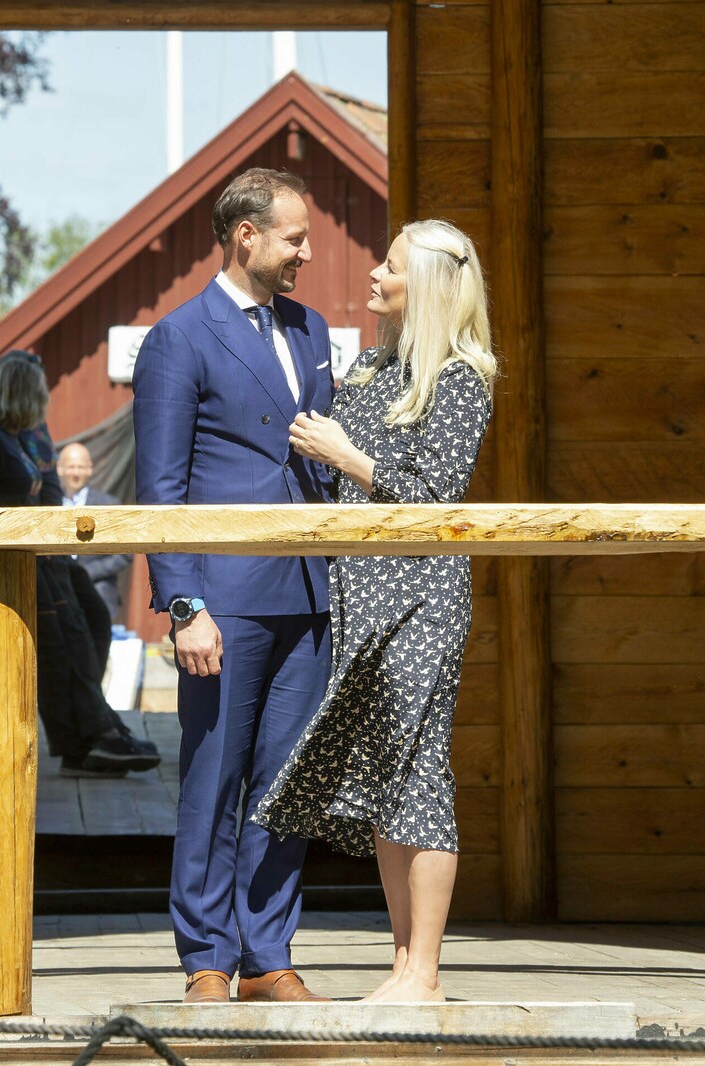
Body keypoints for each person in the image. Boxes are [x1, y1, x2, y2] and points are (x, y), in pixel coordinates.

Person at [254, 219, 496, 1003]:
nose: (371, 272)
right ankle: (402, 967)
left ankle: (423, 973)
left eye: (388, 266)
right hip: (361, 594)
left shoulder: (459, 376)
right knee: (390, 772)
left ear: (421, 286)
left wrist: (345, 455)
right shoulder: (370, 365)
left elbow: (433, 495)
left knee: (419, 772)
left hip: (420, 596)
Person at [133, 168, 335, 1005]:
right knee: (214, 778)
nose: (308, 253)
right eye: (295, 237)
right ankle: (206, 959)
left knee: (288, 782)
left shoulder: (313, 327)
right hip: (222, 601)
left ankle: (268, 955)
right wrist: (184, 606)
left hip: (309, 597)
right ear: (245, 235)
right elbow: (160, 487)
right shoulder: (179, 338)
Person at [0, 356, 161, 779]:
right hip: (19, 558)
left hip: (50, 553)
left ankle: (96, 727)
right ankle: (93, 736)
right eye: (38, 391)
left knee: (93, 621)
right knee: (63, 645)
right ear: (23, 392)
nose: (44, 399)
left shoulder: (20, 437)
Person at [57, 441, 133, 622]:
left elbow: (125, 554)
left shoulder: (108, 504)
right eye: (71, 467)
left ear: (89, 469)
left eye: (80, 467)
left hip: (98, 587)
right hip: (58, 589)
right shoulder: (48, 503)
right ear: (60, 469)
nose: (75, 473)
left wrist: (87, 572)